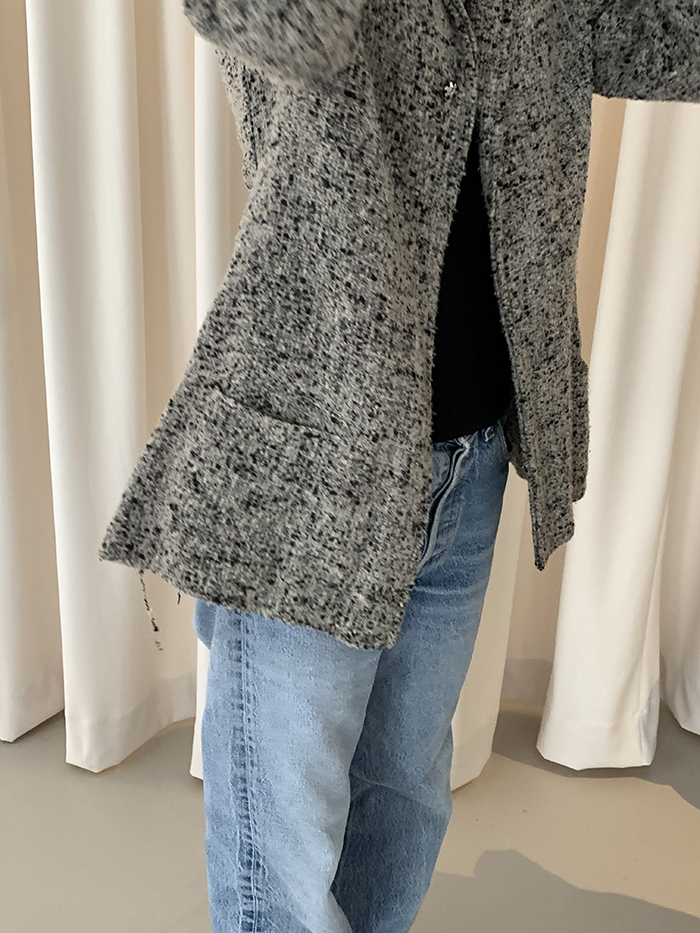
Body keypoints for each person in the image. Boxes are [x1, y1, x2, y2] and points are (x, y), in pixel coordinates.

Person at [97, 1, 700, 930]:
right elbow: (280, 24)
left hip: (473, 459)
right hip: (308, 460)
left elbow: (659, 35)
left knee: (404, 799)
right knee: (283, 859)